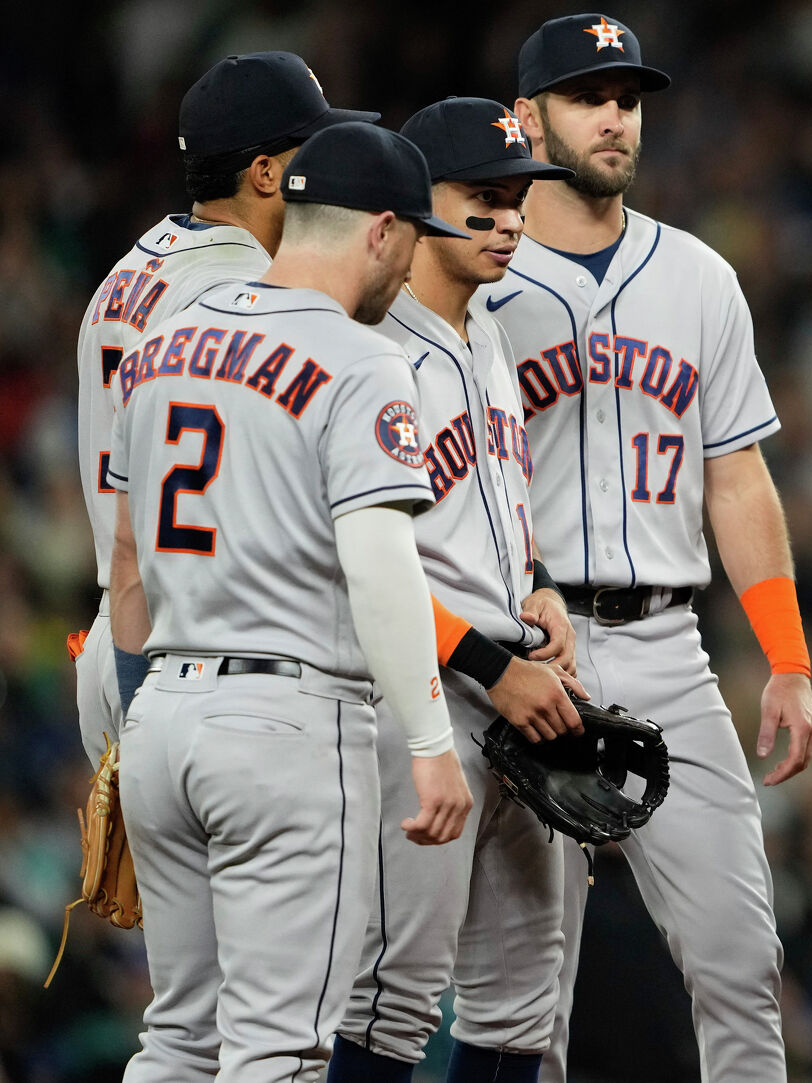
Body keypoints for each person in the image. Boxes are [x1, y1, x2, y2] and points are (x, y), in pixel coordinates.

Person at [489, 15, 812, 1080]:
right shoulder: (475, 282)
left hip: (667, 649)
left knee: (739, 961)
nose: (615, 116)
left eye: (626, 96)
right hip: (518, 654)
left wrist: (787, 658)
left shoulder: (698, 277)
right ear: (527, 116)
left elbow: (737, 479)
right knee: (520, 995)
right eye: (588, 95)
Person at [107, 121, 474, 1081]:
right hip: (286, 726)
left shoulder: (165, 339)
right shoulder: (363, 362)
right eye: (414, 238)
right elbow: (381, 565)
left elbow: (127, 557)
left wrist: (126, 710)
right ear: (383, 231)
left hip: (163, 712)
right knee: (282, 1050)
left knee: (180, 1037)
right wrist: (432, 746)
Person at [326, 97, 591, 1083]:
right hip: (415, 696)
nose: (509, 221)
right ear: (412, 200)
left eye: (519, 200)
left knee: (522, 993)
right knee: (393, 995)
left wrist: (541, 587)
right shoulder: (370, 350)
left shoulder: (484, 333)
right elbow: (353, 563)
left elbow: (490, 515)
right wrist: (486, 663)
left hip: (510, 681)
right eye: (483, 198)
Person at [75, 50, 375, 758]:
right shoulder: (247, 290)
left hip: (122, 630)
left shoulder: (129, 269)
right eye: (312, 146)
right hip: (201, 655)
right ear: (265, 172)